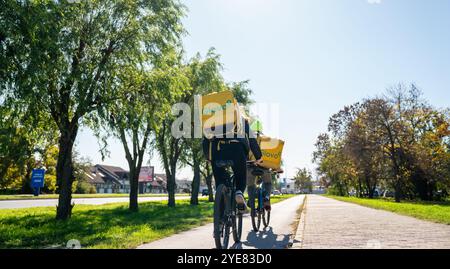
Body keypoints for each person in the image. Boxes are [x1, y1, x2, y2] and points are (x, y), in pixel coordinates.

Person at [202, 118, 263, 212]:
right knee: (240, 178)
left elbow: (206, 139)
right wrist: (258, 157)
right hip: (237, 150)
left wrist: (208, 157)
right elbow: (251, 139)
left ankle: (221, 216)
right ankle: (239, 193)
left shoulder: (212, 118)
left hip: (217, 150)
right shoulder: (240, 119)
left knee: (220, 181)